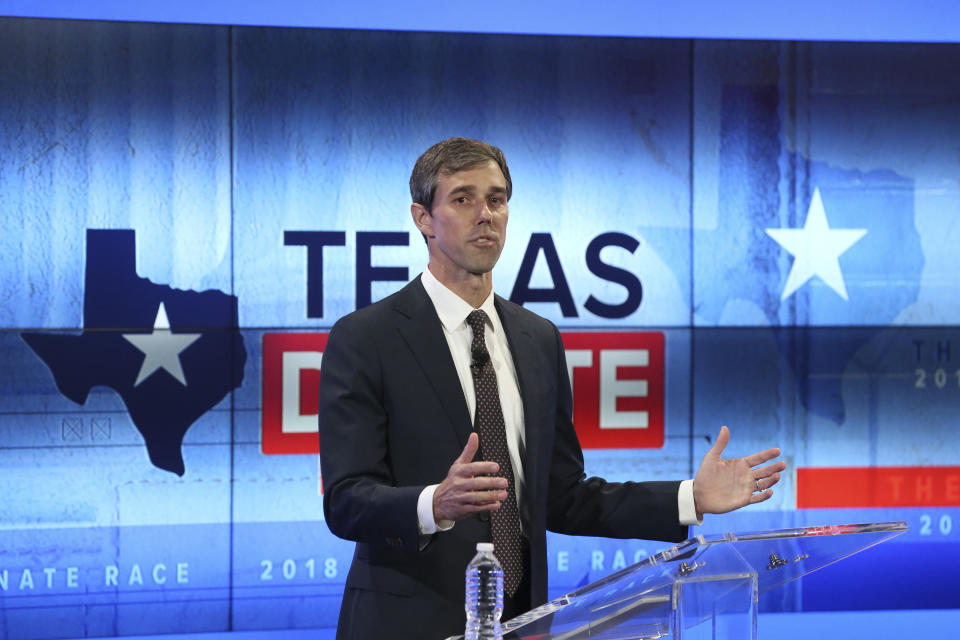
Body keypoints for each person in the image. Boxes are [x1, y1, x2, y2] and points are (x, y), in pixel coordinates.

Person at [317, 137, 785, 640]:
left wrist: (690, 497)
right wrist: (435, 503)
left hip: (522, 624)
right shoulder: (368, 337)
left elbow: (564, 497)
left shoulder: (536, 338)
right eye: (462, 199)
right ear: (423, 218)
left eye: (496, 200)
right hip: (404, 624)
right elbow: (346, 500)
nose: (485, 215)